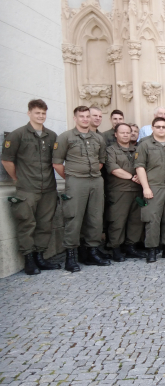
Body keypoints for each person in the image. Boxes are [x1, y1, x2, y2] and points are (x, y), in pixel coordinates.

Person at [2, 99, 60, 274]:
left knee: (45, 224)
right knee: (27, 224)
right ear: (29, 113)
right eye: (37, 113)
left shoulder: (51, 136)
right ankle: (29, 260)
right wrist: (17, 178)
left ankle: (39, 257)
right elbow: (7, 160)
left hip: (48, 188)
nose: (41, 116)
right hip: (27, 188)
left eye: (43, 113)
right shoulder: (17, 135)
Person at [52, 106, 109, 271]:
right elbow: (57, 163)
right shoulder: (65, 137)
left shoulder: (98, 138)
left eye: (87, 116)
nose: (85, 119)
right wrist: (71, 178)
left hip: (96, 181)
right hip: (76, 182)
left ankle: (92, 252)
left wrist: (91, 174)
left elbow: (101, 161)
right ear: (75, 118)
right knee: (74, 218)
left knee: (95, 217)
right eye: (81, 116)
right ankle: (71, 256)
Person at [134, 116, 165, 263]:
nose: (161, 129)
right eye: (158, 127)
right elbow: (140, 167)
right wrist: (145, 188)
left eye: (164, 127)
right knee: (152, 218)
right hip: (154, 187)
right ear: (153, 128)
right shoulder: (145, 144)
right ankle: (152, 249)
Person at [104, 123, 148, 262]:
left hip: (137, 191)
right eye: (122, 132)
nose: (125, 135)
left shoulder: (137, 150)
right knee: (117, 220)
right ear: (116, 134)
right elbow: (113, 169)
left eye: (128, 132)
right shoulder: (110, 150)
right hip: (119, 191)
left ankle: (131, 247)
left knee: (135, 221)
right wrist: (133, 177)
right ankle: (115, 248)